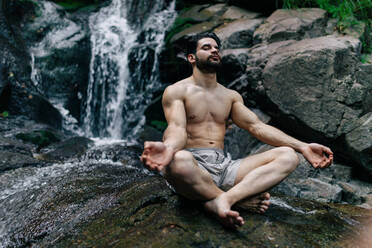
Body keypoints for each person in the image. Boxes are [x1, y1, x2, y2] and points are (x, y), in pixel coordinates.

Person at [141, 32, 333, 229]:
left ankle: (223, 199)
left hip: (225, 167)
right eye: (206, 47)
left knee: (289, 156)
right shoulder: (177, 90)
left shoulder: (230, 96)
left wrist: (303, 147)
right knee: (178, 160)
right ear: (192, 58)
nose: (214, 50)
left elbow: (256, 127)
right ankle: (233, 199)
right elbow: (177, 128)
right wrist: (169, 149)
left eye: (216, 47)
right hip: (194, 167)